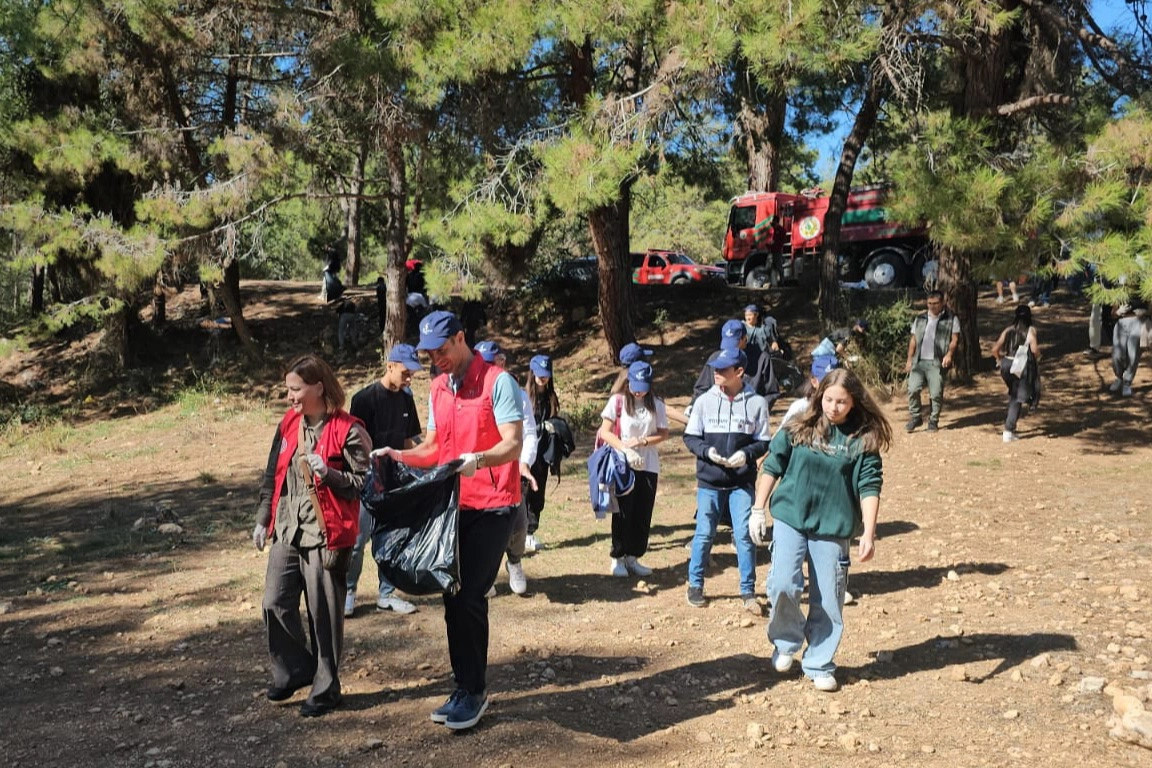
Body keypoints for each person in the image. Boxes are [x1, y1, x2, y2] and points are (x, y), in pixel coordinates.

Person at [373, 311, 523, 731]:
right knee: (451, 592)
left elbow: (513, 444)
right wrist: (398, 455)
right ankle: (464, 687)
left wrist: (479, 459)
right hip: (452, 507)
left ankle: (474, 691)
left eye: (442, 349)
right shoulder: (438, 387)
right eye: (428, 353)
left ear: (461, 338)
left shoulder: (498, 382)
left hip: (494, 503)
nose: (435, 359)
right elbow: (435, 448)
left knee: (470, 593)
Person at [751, 367, 892, 692]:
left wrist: (869, 533)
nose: (833, 407)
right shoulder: (800, 425)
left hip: (833, 525)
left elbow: (870, 485)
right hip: (791, 516)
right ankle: (785, 642)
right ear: (819, 396)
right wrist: (759, 508)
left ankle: (819, 662)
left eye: (841, 401)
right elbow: (773, 464)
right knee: (784, 582)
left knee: (829, 596)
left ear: (854, 401)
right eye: (828, 399)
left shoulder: (863, 440)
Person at [252, 354, 370, 717]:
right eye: (288, 389)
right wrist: (262, 518)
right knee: (275, 601)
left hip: (325, 534)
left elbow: (363, 484)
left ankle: (326, 688)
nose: (290, 396)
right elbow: (272, 472)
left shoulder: (349, 430)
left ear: (318, 387)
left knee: (323, 615)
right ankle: (295, 670)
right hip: (287, 529)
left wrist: (329, 474)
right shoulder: (288, 424)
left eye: (295, 389)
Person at [683, 347, 772, 612]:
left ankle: (747, 591)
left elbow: (764, 441)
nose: (716, 373)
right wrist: (706, 452)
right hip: (710, 481)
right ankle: (695, 585)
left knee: (744, 535)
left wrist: (746, 455)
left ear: (739, 372)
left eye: (722, 370)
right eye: (715, 369)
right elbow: (690, 437)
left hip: (741, 482)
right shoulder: (704, 401)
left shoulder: (756, 403)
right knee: (704, 533)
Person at [344, 344, 424, 617]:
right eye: (405, 373)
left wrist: (416, 469)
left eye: (412, 374)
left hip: (394, 479)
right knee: (358, 539)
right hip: (367, 480)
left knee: (391, 540)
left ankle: (386, 594)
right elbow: (353, 443)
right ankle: (348, 591)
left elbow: (408, 440)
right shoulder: (365, 399)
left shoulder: (406, 398)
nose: (409, 379)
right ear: (390, 366)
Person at [596, 361, 670, 577]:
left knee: (643, 510)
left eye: (643, 386)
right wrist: (626, 449)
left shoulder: (657, 404)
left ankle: (633, 556)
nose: (639, 391)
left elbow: (663, 432)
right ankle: (617, 557)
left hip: (649, 464)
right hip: (624, 464)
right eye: (635, 386)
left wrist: (644, 442)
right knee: (623, 511)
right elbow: (605, 432)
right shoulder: (617, 402)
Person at [475, 340, 536, 595]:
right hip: (481, 472)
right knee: (483, 528)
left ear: (503, 362)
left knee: (518, 525)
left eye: (495, 361)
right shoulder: (471, 394)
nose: (491, 368)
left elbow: (529, 432)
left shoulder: (517, 393)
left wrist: (524, 462)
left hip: (511, 471)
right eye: (486, 363)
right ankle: (485, 573)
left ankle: (514, 561)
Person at [904, 290, 960, 432]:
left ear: (942, 303)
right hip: (919, 361)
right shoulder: (920, 319)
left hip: (937, 362)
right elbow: (913, 340)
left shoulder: (951, 319)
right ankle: (916, 417)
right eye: (930, 303)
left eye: (935, 303)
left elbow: (954, 340)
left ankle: (933, 420)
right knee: (912, 389)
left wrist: (949, 354)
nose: (932, 306)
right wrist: (909, 359)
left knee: (935, 394)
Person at [691, 319, 778, 409]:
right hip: (718, 416)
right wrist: (693, 407)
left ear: (744, 338)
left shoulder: (762, 359)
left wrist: (756, 409)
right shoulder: (715, 358)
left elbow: (771, 392)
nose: (730, 348)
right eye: (727, 343)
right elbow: (701, 389)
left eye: (734, 343)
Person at [523, 354, 559, 552]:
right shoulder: (525, 396)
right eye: (539, 374)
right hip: (527, 453)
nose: (543, 378)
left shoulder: (551, 397)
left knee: (538, 493)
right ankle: (522, 532)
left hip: (544, 453)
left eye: (546, 375)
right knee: (524, 492)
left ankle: (531, 531)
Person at [991, 305, 1042, 442]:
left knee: (1014, 393)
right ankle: (1009, 428)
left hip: (1007, 364)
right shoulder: (1031, 331)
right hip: (1021, 365)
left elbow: (995, 349)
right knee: (1017, 397)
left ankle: (1010, 426)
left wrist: (1000, 359)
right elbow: (1034, 349)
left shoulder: (1008, 330)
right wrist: (1039, 357)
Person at [1109, 305, 1149, 397]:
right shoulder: (1121, 291)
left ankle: (1127, 382)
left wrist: (1145, 312)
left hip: (1139, 322)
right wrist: (1118, 312)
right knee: (1117, 354)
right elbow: (1113, 314)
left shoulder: (1145, 292)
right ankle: (1119, 378)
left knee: (1133, 354)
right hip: (1121, 323)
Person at [742, 303, 780, 374]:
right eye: (746, 315)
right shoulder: (742, 327)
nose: (748, 318)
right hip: (747, 359)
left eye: (750, 315)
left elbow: (771, 341)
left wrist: (774, 343)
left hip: (762, 357)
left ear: (756, 315)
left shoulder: (763, 328)